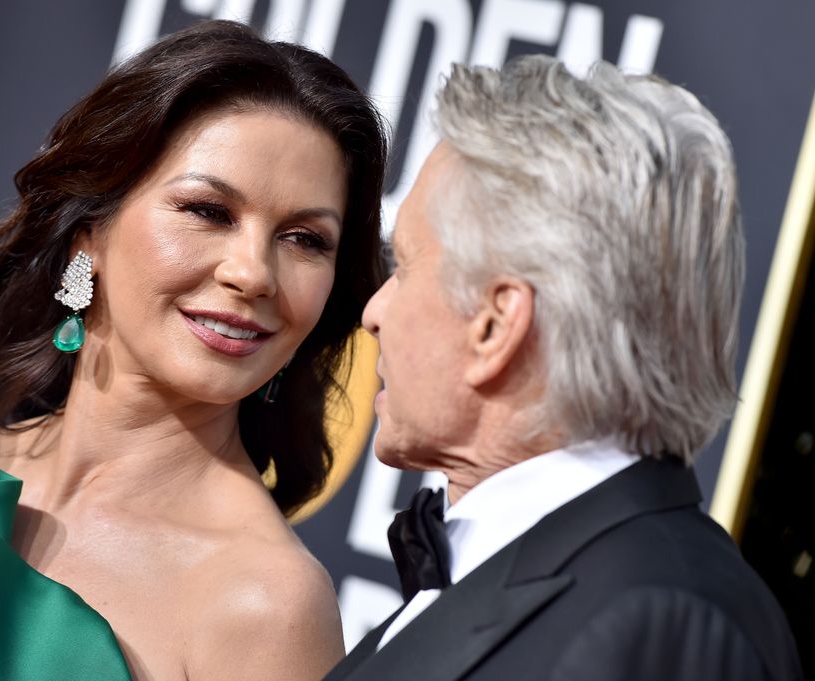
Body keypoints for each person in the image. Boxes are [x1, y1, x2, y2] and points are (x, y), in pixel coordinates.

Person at [0, 19, 388, 680]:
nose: (253, 273)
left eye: (305, 238)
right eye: (209, 211)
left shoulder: (267, 606)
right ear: (88, 233)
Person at [324, 55, 803, 681]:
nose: (374, 311)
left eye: (406, 266)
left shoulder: (662, 622)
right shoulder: (594, 589)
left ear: (495, 326)